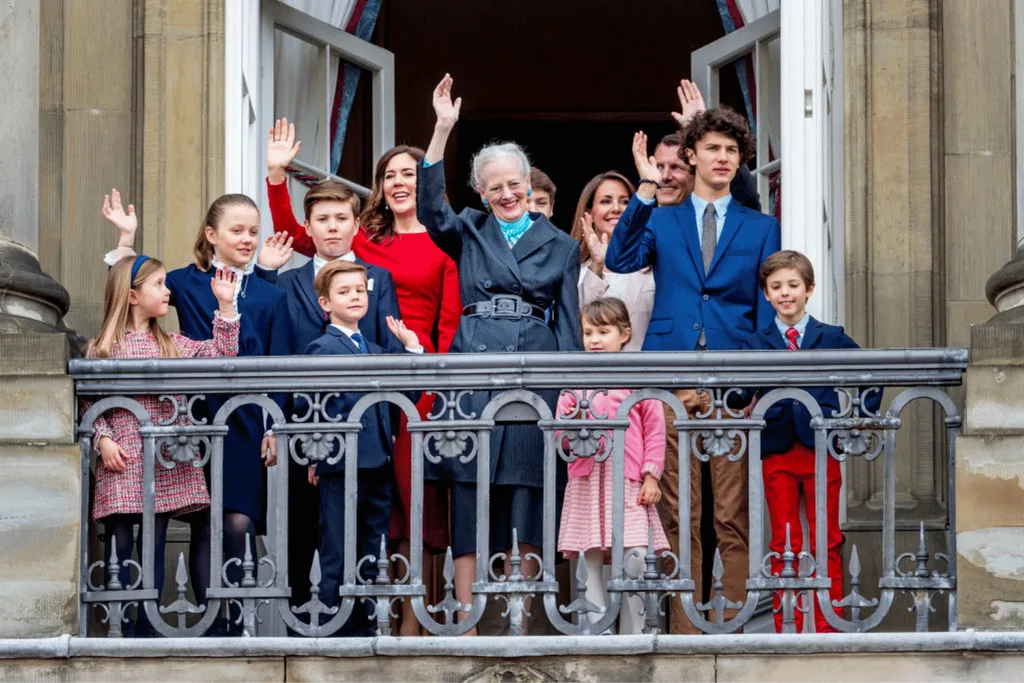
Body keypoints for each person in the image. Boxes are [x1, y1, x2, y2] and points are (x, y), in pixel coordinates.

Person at [264, 123, 459, 634]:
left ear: (356, 225)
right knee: (306, 534)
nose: (331, 228)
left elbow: (389, 348)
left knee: (361, 536)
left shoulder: (377, 278)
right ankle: (302, 632)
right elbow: (281, 358)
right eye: (322, 220)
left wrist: (413, 362)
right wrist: (276, 176)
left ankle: (351, 627)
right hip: (306, 432)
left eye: (341, 219)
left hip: (368, 432)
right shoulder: (291, 282)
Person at [605, 107, 781, 631]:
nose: (722, 158)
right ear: (691, 157)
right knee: (677, 513)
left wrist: (751, 380)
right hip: (671, 377)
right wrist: (643, 187)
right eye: (712, 149)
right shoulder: (662, 217)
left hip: (731, 383)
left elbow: (765, 307)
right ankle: (685, 628)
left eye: (731, 151)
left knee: (732, 514)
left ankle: (733, 622)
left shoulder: (761, 226)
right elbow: (619, 259)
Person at [418, 74, 583, 634]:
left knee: (529, 493)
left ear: (528, 184)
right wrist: (442, 129)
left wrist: (569, 396)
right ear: (481, 193)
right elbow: (428, 207)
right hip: (474, 370)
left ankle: (526, 620)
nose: (507, 195)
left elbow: (571, 326)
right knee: (469, 494)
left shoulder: (560, 244)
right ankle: (466, 619)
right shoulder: (468, 229)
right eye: (495, 188)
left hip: (536, 371)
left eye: (515, 184)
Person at [103, 189, 292, 634]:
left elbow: (281, 363)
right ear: (212, 234)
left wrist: (275, 423)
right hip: (188, 420)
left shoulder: (270, 294)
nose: (247, 239)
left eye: (252, 231)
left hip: (244, 422)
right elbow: (129, 284)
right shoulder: (183, 283)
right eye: (237, 231)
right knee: (196, 516)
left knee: (237, 520)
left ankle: (232, 620)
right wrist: (126, 240)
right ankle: (202, 625)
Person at [84, 255, 239, 636]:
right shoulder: (102, 347)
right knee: (120, 545)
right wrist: (102, 438)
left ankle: (148, 627)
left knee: (152, 545)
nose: (168, 291)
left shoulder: (174, 344)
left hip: (166, 461)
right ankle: (120, 625)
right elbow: (88, 402)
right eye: (158, 284)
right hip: (121, 457)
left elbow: (222, 356)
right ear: (132, 296)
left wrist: (226, 306)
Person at [735, 250, 879, 633]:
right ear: (766, 294)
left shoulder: (830, 336)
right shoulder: (755, 342)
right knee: (785, 538)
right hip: (776, 449)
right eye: (776, 287)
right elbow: (738, 390)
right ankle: (789, 624)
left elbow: (871, 372)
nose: (785, 294)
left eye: (793, 286)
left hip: (821, 447)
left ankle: (827, 621)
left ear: (809, 289)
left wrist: (860, 420)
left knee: (825, 535)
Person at [304, 259, 424, 636]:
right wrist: (315, 456)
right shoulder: (321, 348)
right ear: (325, 303)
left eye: (360, 290)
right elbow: (313, 406)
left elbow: (405, 398)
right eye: (344, 292)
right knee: (338, 547)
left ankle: (364, 625)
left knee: (372, 548)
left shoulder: (374, 348)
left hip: (378, 463)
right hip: (341, 462)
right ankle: (331, 629)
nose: (354, 296)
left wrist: (412, 351)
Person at [556, 298, 668, 634]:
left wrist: (651, 476)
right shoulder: (576, 380)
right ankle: (599, 630)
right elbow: (561, 431)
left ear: (624, 334)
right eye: (589, 332)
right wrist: (571, 425)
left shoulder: (635, 376)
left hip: (628, 479)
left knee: (634, 556)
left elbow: (655, 428)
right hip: (587, 479)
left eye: (603, 332)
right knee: (589, 559)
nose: (594, 340)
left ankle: (634, 628)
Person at [642, 79, 761, 212]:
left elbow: (747, 199)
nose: (665, 176)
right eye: (659, 167)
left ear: (695, 172)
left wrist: (699, 128)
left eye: (676, 167)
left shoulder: (717, 219)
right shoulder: (639, 223)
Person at [571, 171, 652, 351]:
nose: (617, 208)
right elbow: (576, 326)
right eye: (605, 201)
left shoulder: (653, 267)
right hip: (593, 377)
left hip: (646, 375)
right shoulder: (575, 272)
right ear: (589, 212)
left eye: (625, 201)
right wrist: (597, 266)